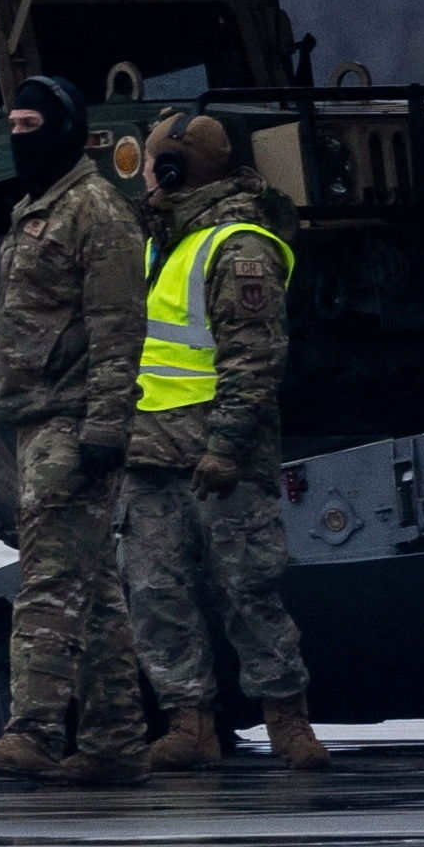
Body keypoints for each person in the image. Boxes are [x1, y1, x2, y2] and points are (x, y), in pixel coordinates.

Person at [0, 75, 149, 785]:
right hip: (29, 422)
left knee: (50, 584)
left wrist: (105, 427)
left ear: (63, 128)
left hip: (73, 420)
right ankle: (115, 740)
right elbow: (8, 337)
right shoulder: (31, 215)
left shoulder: (99, 215)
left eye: (31, 124)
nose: (18, 137)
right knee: (95, 596)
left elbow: (120, 331)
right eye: (13, 124)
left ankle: (32, 730)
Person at [119, 112, 330, 772]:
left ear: (175, 168)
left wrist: (227, 447)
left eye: (153, 161)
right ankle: (189, 724)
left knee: (249, 589)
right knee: (156, 592)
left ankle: (289, 723)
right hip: (151, 454)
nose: (144, 173)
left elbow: (253, 360)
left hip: (219, 458)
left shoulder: (238, 248)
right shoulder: (162, 241)